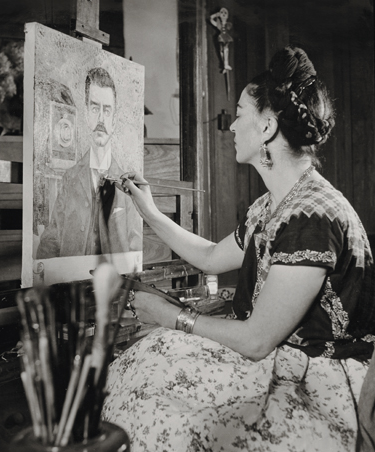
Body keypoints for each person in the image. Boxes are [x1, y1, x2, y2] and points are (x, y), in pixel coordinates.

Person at [101, 46, 375, 451]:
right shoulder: (274, 205)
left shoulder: (313, 217)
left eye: (240, 113)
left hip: (320, 385)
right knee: (150, 362)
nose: (231, 126)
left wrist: (169, 315)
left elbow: (256, 340)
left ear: (267, 127)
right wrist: (150, 213)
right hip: (283, 363)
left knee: (161, 394)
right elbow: (212, 256)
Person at [37, 67, 141, 259]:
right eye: (94, 109)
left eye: (107, 110)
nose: (101, 119)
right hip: (72, 278)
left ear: (114, 120)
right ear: (86, 114)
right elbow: (51, 241)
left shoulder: (128, 184)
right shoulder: (70, 178)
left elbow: (136, 250)